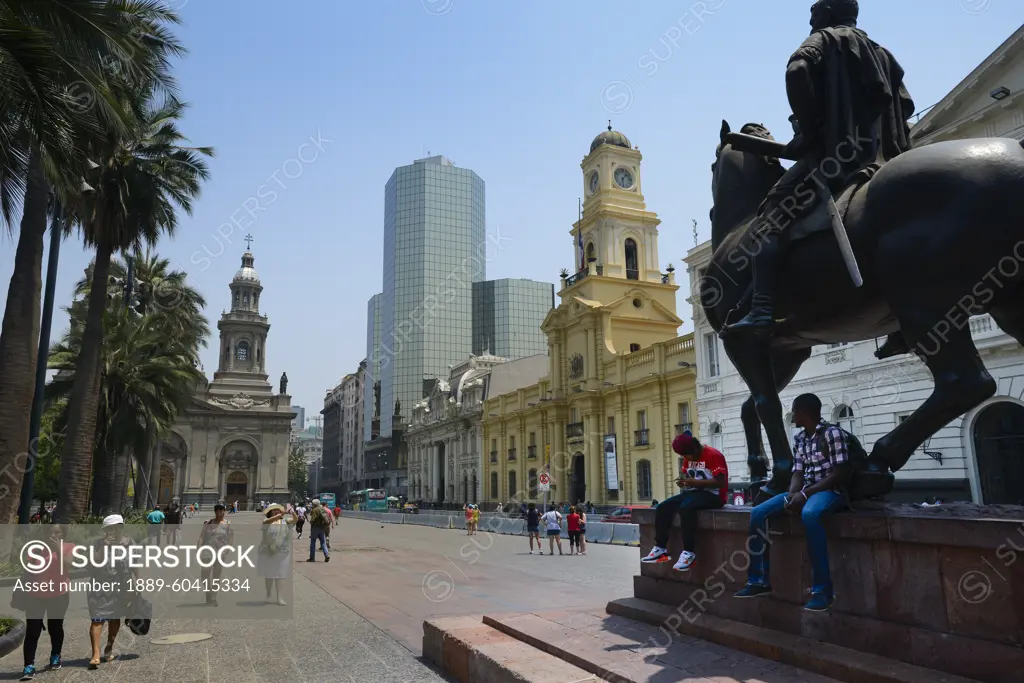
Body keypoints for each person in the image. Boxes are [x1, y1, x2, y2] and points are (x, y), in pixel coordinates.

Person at [723, 0, 915, 346]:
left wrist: (809, 132)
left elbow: (797, 69)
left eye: (814, 11)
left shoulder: (824, 40)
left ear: (827, 12)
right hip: (885, 158)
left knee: (768, 221)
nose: (810, 18)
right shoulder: (882, 52)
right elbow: (903, 104)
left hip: (836, 161)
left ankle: (762, 309)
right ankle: (905, 324)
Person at [734, 393, 850, 611]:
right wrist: (793, 495)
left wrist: (805, 495)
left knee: (810, 515)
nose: (793, 415)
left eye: (795, 411)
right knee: (758, 512)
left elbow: (839, 473)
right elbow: (797, 471)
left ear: (805, 412)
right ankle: (758, 581)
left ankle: (823, 591)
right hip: (806, 490)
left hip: (831, 491)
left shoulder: (833, 434)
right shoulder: (800, 438)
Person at [642, 433, 728, 571]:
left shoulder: (713, 455)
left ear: (694, 448)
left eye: (687, 455)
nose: (686, 459)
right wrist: (686, 483)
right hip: (694, 492)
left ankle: (689, 552)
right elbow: (689, 477)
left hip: (714, 496)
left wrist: (695, 482)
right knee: (663, 507)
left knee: (686, 508)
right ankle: (660, 548)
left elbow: (721, 482)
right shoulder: (688, 458)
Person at [16, 524, 73, 680]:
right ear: (44, 533)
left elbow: (68, 564)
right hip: (35, 596)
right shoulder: (36, 548)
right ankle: (29, 666)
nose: (53, 535)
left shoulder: (68, 547)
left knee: (55, 627)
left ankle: (55, 656)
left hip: (59, 595)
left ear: (62, 535)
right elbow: (29, 570)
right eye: (50, 532)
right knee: (32, 631)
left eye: (57, 532)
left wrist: (58, 550)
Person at [87, 515, 136, 669]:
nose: (113, 531)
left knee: (114, 619)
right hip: (99, 586)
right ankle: (95, 653)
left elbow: (136, 564)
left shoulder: (130, 543)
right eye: (110, 528)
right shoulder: (97, 544)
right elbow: (94, 564)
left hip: (120, 586)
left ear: (121, 528)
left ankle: (109, 647)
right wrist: (104, 546)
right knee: (97, 619)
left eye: (116, 527)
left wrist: (139, 582)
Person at [259, 503, 296, 605]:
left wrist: (292, 512)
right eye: (274, 510)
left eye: (278, 510)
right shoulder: (266, 522)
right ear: (270, 512)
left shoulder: (285, 521)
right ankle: (268, 593)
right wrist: (281, 514)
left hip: (283, 552)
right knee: (269, 575)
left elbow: (295, 520)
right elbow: (268, 521)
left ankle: (280, 597)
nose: (276, 512)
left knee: (280, 575)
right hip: (268, 551)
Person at [197, 503, 233, 607]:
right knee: (204, 575)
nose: (218, 511)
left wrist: (226, 551)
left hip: (220, 553)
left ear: (224, 511)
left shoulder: (227, 524)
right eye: (217, 509)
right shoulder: (208, 523)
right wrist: (198, 548)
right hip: (207, 552)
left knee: (216, 576)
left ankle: (213, 597)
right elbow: (201, 537)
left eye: (221, 509)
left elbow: (230, 539)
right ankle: (208, 593)